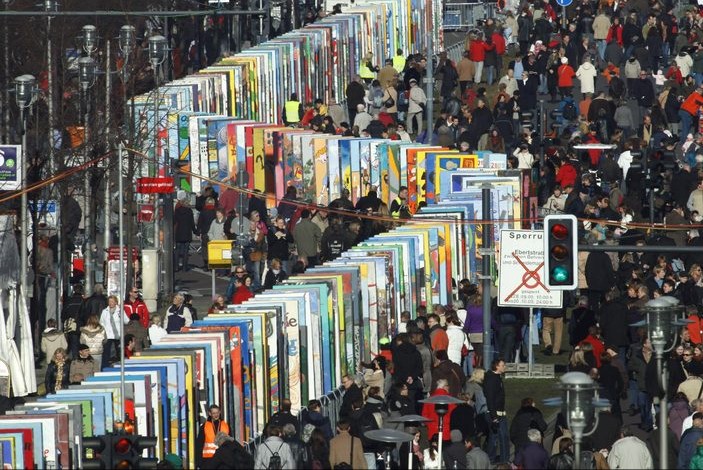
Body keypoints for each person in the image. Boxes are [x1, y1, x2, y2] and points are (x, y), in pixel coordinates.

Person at [485, 358, 509, 464]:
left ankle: (491, 458)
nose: (505, 367)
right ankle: (504, 460)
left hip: (498, 412)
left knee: (494, 437)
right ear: (497, 366)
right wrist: (494, 416)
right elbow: (490, 399)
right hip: (496, 414)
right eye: (502, 365)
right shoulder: (492, 379)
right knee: (503, 436)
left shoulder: (496, 377)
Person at [195, 404, 232, 468]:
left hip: (223, 459)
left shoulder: (226, 426)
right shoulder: (204, 426)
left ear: (220, 412)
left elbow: (231, 444)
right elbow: (199, 445)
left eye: (217, 413)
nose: (216, 415)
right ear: (210, 413)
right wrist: (199, 462)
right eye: (214, 413)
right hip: (208, 459)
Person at [99, 295, 129, 369]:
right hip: (108, 335)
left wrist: (121, 316)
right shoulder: (104, 311)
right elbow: (101, 322)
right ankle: (104, 367)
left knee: (119, 352)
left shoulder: (120, 311)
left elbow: (126, 321)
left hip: (118, 335)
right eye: (109, 301)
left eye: (112, 301)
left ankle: (121, 367)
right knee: (106, 352)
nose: (110, 303)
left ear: (116, 302)